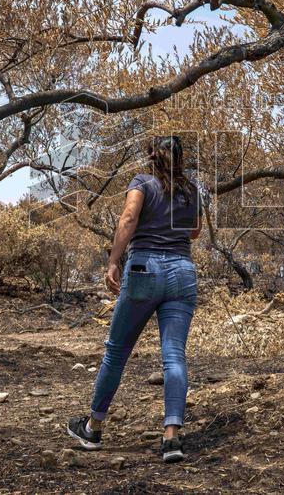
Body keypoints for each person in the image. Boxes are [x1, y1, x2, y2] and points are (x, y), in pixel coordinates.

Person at [66, 136, 202, 463]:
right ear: (180, 159)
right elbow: (194, 232)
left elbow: (128, 218)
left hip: (144, 269)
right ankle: (172, 438)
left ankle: (94, 428)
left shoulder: (142, 182)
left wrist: (113, 260)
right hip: (182, 272)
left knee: (117, 350)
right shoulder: (191, 190)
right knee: (174, 355)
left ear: (152, 157)